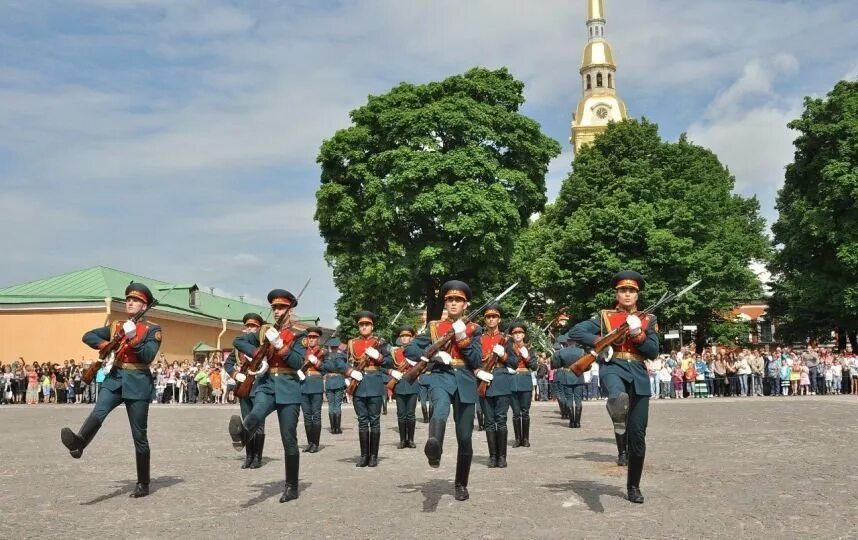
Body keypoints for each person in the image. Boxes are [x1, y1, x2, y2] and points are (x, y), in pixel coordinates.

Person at [60, 282, 162, 498]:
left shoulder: (153, 330)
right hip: (115, 378)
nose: (130, 303)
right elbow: (88, 336)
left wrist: (133, 339)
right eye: (128, 300)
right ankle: (79, 442)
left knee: (139, 436)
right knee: (99, 410)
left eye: (136, 301)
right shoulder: (117, 325)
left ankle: (143, 482)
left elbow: (148, 356)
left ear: (144, 306)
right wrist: (107, 345)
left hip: (138, 382)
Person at [569, 271, 660, 504]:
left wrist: (638, 334)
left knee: (638, 436)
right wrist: (600, 340)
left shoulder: (648, 319)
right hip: (613, 367)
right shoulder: (605, 316)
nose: (627, 294)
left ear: (637, 295)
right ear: (616, 294)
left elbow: (653, 351)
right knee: (617, 394)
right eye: (623, 290)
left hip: (638, 374)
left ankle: (633, 486)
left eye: (631, 291)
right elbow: (576, 331)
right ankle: (618, 412)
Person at [405, 280, 484, 501]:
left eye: (458, 300)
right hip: (441, 376)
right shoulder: (434, 327)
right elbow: (410, 349)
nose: (453, 303)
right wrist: (432, 356)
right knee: (439, 407)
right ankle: (435, 447)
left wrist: (463, 337)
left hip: (465, 380)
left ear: (465, 304)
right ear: (445, 303)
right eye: (450, 300)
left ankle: (461, 483)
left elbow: (476, 359)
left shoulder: (474, 329)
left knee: (465, 437)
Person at [228, 289, 306, 502]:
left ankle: (291, 486)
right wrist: (258, 353)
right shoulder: (264, 332)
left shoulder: (299, 335)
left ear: (289, 310)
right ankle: (242, 435)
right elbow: (238, 341)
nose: (277, 311)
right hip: (267, 384)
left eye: (281, 307)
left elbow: (298, 362)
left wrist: (280, 346)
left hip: (289, 386)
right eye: (274, 308)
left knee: (288, 438)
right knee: (256, 412)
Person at [345, 311, 394, 468]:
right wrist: (349, 373)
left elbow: (389, 362)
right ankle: (364, 456)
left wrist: (379, 357)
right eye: (361, 324)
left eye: (367, 324)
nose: (364, 327)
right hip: (358, 385)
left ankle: (373, 456)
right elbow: (344, 362)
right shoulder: (352, 343)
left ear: (372, 326)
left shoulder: (380, 343)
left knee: (374, 421)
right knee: (362, 421)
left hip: (374, 384)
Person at [224, 313, 267, 469]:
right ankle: (249, 456)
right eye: (248, 326)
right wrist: (236, 374)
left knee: (259, 423)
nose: (250, 329)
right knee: (247, 422)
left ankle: (258, 457)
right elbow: (228, 364)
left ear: (259, 328)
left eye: (253, 326)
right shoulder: (239, 348)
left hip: (260, 387)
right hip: (244, 388)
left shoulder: (263, 345)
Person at [478, 303, 512, 468]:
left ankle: (502, 456)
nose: (491, 319)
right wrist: (478, 372)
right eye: (488, 317)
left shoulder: (507, 340)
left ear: (499, 319)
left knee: (501, 420)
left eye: (494, 317)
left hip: (502, 381)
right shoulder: (479, 339)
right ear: (485, 320)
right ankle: (492, 456)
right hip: (484, 381)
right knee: (489, 421)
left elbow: (514, 362)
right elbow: (474, 359)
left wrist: (503, 355)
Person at [388, 325, 420, 449]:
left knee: (411, 414)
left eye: (407, 336)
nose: (405, 338)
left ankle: (410, 440)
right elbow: (387, 366)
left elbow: (424, 365)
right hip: (400, 384)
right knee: (401, 413)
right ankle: (402, 440)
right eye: (402, 336)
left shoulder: (416, 351)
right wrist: (392, 372)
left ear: (412, 337)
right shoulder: (395, 352)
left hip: (412, 384)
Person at [508, 320, 537, 448]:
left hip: (525, 381)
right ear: (512, 335)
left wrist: (527, 357)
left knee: (525, 412)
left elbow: (534, 366)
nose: (518, 335)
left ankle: (525, 438)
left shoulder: (529, 349)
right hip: (512, 380)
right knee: (515, 413)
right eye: (515, 333)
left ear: (524, 334)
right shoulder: (508, 348)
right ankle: (517, 439)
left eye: (520, 332)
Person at [324, 337, 347, 434]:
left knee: (331, 405)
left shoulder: (326, 357)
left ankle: (332, 428)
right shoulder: (341, 356)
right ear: (338, 346)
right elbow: (344, 368)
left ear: (330, 346)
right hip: (339, 381)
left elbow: (324, 368)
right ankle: (337, 428)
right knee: (337, 405)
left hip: (329, 381)